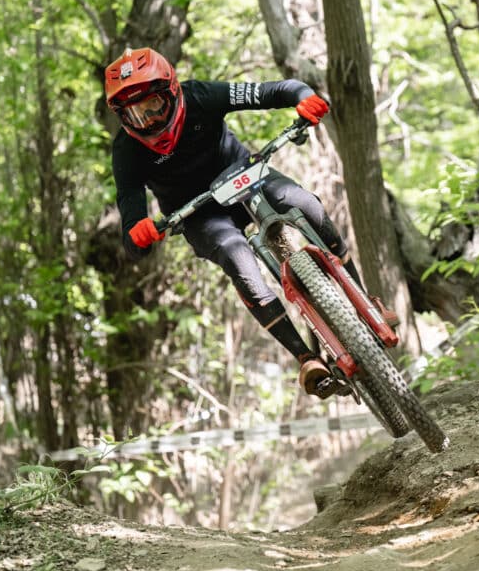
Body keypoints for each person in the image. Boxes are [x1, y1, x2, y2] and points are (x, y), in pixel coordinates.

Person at [104, 47, 396, 398]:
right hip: (198, 213)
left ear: (173, 91)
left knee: (306, 204)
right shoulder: (127, 150)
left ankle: (366, 303)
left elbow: (275, 90)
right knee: (237, 257)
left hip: (246, 175)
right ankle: (305, 358)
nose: (148, 121)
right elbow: (130, 215)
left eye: (153, 106)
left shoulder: (201, 96)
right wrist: (138, 233)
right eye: (135, 115)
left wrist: (303, 97)